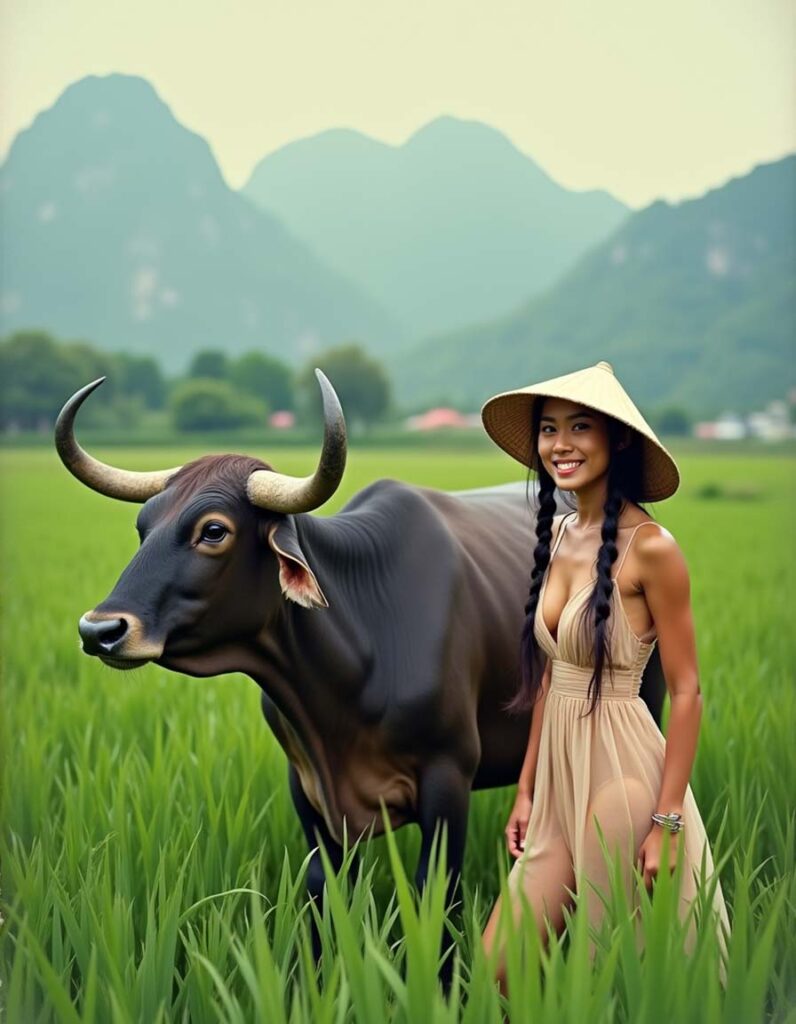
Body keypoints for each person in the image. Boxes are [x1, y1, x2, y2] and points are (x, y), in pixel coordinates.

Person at [478, 360, 730, 989]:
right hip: (557, 783)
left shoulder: (652, 548)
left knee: (605, 974)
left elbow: (688, 690)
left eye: (579, 427)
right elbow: (554, 677)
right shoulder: (560, 532)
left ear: (616, 439)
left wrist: (668, 820)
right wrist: (528, 787)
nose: (560, 445)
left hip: (621, 778)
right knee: (495, 973)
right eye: (548, 430)